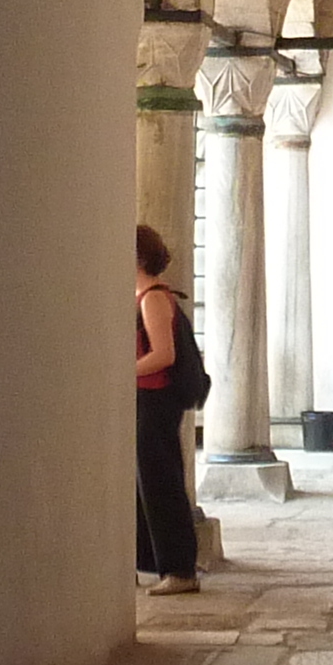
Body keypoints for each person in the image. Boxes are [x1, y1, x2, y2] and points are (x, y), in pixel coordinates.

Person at [132, 223, 201, 592]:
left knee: (162, 483)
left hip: (155, 400)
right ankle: (150, 561)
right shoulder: (140, 294)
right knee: (144, 482)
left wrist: (119, 373)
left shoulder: (153, 297)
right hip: (144, 399)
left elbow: (163, 354)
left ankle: (179, 570)